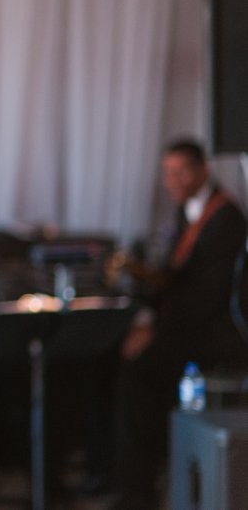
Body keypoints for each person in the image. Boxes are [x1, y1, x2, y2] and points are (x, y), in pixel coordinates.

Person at [111, 138, 247, 510]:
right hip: (188, 324)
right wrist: (146, 312)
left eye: (179, 172)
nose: (171, 181)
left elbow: (210, 296)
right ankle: (120, 474)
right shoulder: (185, 213)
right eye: (168, 173)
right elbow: (176, 279)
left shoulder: (226, 218)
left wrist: (156, 328)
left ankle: (140, 488)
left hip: (217, 333)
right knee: (118, 354)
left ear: (202, 169)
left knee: (142, 368)